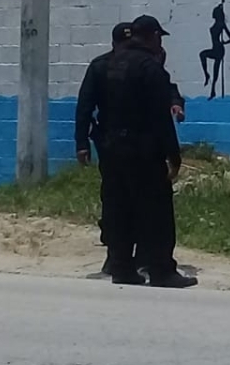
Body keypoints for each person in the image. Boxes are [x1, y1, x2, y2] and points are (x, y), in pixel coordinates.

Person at [82, 14, 196, 288]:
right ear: (153, 36)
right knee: (156, 211)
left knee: (119, 207)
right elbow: (160, 117)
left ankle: (121, 267)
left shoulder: (104, 64)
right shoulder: (149, 68)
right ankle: (161, 270)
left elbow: (84, 105)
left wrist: (81, 142)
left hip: (110, 150)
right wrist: (174, 155)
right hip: (143, 152)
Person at [75, 22, 133, 276]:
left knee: (121, 198)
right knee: (114, 197)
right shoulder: (100, 67)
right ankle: (116, 255)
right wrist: (81, 143)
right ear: (115, 43)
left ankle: (126, 256)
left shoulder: (139, 65)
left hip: (126, 143)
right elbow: (85, 106)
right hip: (111, 143)